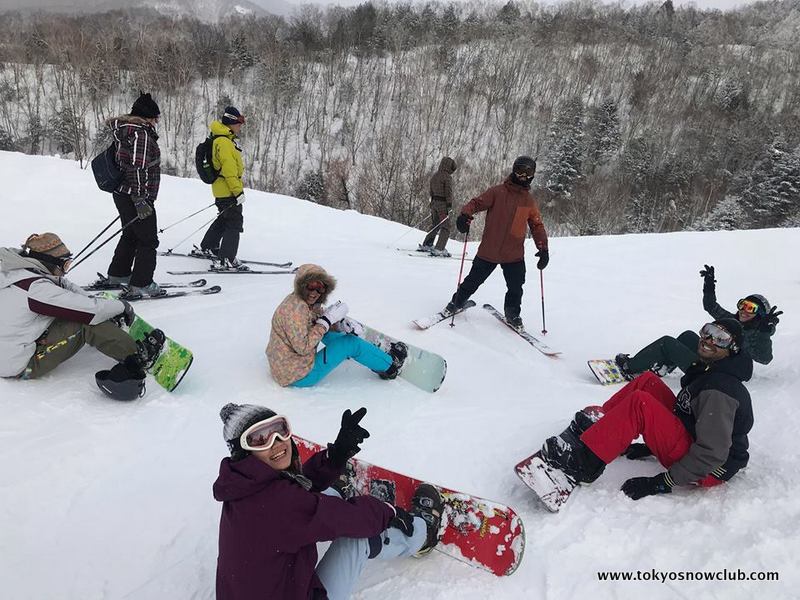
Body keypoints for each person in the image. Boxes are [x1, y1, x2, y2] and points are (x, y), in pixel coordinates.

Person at [214, 403, 444, 600]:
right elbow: (351, 519)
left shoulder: (243, 486)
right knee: (357, 538)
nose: (276, 442)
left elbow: (295, 497)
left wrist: (334, 457)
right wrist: (387, 510)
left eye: (279, 429)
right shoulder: (280, 505)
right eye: (260, 439)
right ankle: (422, 535)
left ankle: (336, 489)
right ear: (243, 452)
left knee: (321, 503)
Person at [539, 318, 753, 500]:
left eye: (720, 338)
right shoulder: (711, 369)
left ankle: (585, 465)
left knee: (641, 403)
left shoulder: (720, 391)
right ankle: (602, 428)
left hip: (706, 469)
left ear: (732, 349)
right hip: (693, 438)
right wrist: (652, 446)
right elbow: (692, 417)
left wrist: (662, 483)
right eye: (708, 332)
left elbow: (711, 453)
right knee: (648, 381)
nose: (708, 340)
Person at [0, 233, 164, 400]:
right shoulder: (37, 290)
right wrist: (122, 307)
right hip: (18, 364)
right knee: (85, 323)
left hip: (8, 348)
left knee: (72, 311)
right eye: (65, 264)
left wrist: (90, 300)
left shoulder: (15, 270)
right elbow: (90, 312)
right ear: (50, 263)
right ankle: (138, 355)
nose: (66, 270)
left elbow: (60, 283)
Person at [615, 264, 780, 379]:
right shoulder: (732, 321)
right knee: (687, 336)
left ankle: (629, 367)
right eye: (743, 305)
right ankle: (663, 366)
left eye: (751, 308)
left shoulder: (758, 333)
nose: (744, 310)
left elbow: (764, 358)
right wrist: (709, 286)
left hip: (716, 373)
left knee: (667, 343)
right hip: (713, 361)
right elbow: (711, 306)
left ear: (760, 315)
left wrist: (765, 334)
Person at [444, 155, 548, 329]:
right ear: (513, 170)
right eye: (519, 171)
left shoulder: (529, 201)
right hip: (489, 250)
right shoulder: (497, 192)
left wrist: (543, 249)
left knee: (516, 287)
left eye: (527, 173)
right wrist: (464, 215)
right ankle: (457, 302)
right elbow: (476, 203)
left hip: (513, 254)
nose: (523, 176)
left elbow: (537, 226)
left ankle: (512, 314)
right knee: (473, 280)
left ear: (533, 175)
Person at [266, 264, 407, 387]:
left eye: (320, 288)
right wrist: (326, 322)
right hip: (298, 376)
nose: (314, 293)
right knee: (351, 344)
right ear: (301, 285)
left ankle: (360, 351)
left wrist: (338, 325)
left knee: (328, 332)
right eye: (311, 287)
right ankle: (390, 366)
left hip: (285, 367)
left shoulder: (300, 302)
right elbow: (303, 347)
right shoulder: (295, 311)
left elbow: (314, 320)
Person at [98, 92, 164, 297]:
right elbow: (137, 168)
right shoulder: (140, 134)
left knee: (131, 234)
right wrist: (140, 199)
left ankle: (119, 274)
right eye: (155, 118)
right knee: (148, 240)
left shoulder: (125, 131)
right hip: (135, 195)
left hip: (123, 193)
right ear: (148, 117)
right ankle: (142, 283)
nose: (156, 122)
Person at [193, 106, 249, 271]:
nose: (240, 126)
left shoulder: (220, 139)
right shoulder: (224, 142)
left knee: (224, 219)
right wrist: (237, 191)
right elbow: (229, 170)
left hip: (221, 189)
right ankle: (227, 259)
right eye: (238, 123)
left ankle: (208, 246)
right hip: (228, 189)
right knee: (234, 222)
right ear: (231, 123)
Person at [418, 156, 457, 257]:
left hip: (434, 204)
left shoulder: (435, 176)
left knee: (435, 224)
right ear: (449, 167)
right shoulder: (447, 177)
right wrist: (449, 206)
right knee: (446, 227)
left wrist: (432, 202)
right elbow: (448, 192)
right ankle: (439, 248)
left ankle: (427, 244)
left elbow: (430, 191)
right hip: (442, 206)